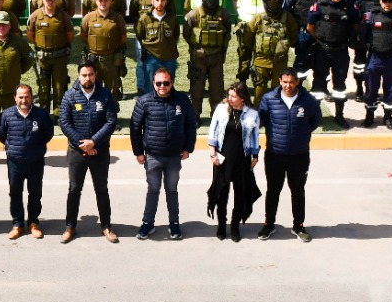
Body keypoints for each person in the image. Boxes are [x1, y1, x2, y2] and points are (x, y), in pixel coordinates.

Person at [130, 67, 196, 241]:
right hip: (153, 155)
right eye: (158, 83)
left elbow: (190, 124)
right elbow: (135, 128)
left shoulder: (182, 100)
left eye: (166, 83)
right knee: (153, 189)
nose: (162, 86)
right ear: (153, 83)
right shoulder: (144, 101)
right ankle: (147, 223)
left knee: (172, 190)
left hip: (174, 156)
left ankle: (174, 224)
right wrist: (138, 152)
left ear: (171, 83)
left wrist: (188, 148)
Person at [256, 68, 322, 243]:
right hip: (274, 154)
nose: (288, 85)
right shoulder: (269, 99)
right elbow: (261, 120)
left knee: (298, 190)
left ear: (297, 82)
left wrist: (302, 134)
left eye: (291, 82)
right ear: (280, 81)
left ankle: (298, 226)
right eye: (285, 82)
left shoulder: (307, 100)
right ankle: (268, 224)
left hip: (299, 155)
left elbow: (315, 119)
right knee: (273, 190)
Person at [58, 61, 119, 244]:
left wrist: (94, 142)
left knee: (102, 189)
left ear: (95, 75)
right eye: (84, 75)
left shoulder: (105, 94)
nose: (87, 78)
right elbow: (64, 122)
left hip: (100, 151)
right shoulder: (70, 95)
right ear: (78, 76)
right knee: (74, 189)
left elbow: (111, 121)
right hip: (76, 152)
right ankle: (70, 227)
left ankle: (106, 226)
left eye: (90, 74)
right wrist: (83, 144)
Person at [206, 82, 262, 242]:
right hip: (222, 158)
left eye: (233, 96)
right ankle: (221, 225)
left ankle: (235, 226)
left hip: (242, 159)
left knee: (241, 194)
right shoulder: (221, 109)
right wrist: (212, 154)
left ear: (242, 98)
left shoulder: (252, 114)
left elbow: (254, 136)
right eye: (228, 95)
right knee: (221, 193)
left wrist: (255, 156)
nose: (229, 98)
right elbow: (213, 131)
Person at [0, 84, 54, 240]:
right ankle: (17, 224)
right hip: (15, 162)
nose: (24, 100)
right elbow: (1, 134)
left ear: (31, 97)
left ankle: (33, 223)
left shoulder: (41, 114)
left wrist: (36, 147)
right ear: (15, 98)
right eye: (20, 97)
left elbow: (48, 134)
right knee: (15, 193)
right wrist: (13, 148)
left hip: (35, 161)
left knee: (35, 193)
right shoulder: (6, 115)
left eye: (27, 97)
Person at [306, 0, 360, 128]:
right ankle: (315, 116)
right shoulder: (320, 6)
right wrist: (320, 40)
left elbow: (356, 25)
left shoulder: (349, 6)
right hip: (322, 50)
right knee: (318, 83)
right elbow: (310, 26)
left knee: (340, 84)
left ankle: (339, 115)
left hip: (340, 51)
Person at [239, 0, 299, 106]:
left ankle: (276, 112)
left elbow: (294, 35)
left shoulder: (287, 17)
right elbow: (248, 38)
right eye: (270, 2)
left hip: (280, 62)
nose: (273, 5)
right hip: (261, 61)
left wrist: (283, 48)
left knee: (278, 89)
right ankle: (258, 112)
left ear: (280, 1)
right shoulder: (258, 18)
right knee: (259, 89)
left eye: (275, 2)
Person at [359, 0, 392, 130]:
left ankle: (388, 117)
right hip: (374, 58)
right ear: (380, 1)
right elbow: (362, 35)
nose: (387, 4)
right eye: (384, 1)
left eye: (390, 1)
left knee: (390, 89)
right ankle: (369, 116)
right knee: (371, 89)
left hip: (391, 58)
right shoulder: (371, 15)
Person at [182, 0, 232, 118]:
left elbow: (227, 33)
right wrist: (196, 48)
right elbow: (186, 34)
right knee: (197, 89)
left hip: (217, 57)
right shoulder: (194, 15)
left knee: (217, 89)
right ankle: (194, 116)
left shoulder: (224, 14)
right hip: (199, 57)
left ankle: (216, 116)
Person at [347, 0, 392, 101]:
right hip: (362, 29)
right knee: (360, 63)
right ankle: (359, 89)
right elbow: (349, 7)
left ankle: (373, 90)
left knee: (377, 63)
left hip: (380, 31)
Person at [26, 0, 74, 117]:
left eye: (52, 0)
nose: (50, 2)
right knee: (43, 88)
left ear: (56, 0)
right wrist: (40, 45)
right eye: (47, 0)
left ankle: (59, 115)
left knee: (59, 87)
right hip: (43, 58)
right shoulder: (35, 16)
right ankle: (44, 114)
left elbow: (70, 35)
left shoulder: (63, 16)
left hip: (59, 57)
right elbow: (30, 34)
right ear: (43, 0)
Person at [284, 0, 331, 81]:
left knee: (323, 63)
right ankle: (298, 87)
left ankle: (321, 88)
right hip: (303, 34)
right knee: (301, 63)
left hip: (324, 34)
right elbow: (286, 8)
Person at [78, 0, 127, 97]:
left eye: (106, 0)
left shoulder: (118, 18)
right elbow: (83, 36)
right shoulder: (88, 18)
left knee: (112, 92)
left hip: (111, 61)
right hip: (93, 61)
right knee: (93, 91)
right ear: (96, 1)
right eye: (100, 0)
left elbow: (123, 37)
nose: (103, 3)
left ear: (110, 1)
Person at [134, 0, 178, 97]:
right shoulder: (145, 18)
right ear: (152, 1)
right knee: (150, 87)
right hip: (151, 58)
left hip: (169, 57)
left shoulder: (172, 18)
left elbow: (176, 35)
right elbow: (140, 35)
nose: (160, 3)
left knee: (168, 86)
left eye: (162, 0)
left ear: (166, 2)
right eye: (157, 0)